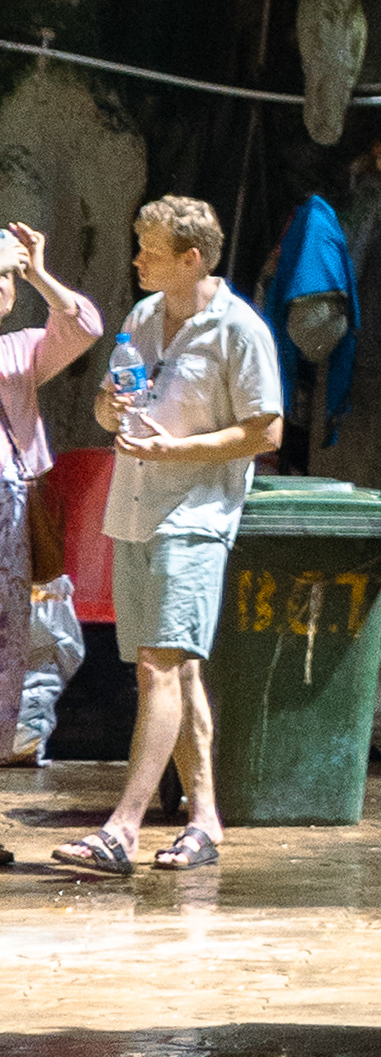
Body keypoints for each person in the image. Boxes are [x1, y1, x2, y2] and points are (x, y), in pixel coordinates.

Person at [56, 195, 283, 876]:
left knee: (158, 663)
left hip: (196, 515)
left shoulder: (239, 330)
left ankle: (122, 827)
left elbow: (266, 431)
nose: (137, 260)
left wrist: (177, 454)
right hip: (136, 508)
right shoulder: (142, 317)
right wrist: (106, 407)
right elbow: (112, 403)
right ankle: (204, 820)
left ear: (190, 259)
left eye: (149, 251)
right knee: (177, 671)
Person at [0, 217, 102, 773]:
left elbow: (83, 325)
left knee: (13, 657)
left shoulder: (19, 351)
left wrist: (37, 273)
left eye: (4, 280)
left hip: (15, 521)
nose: (0, 286)